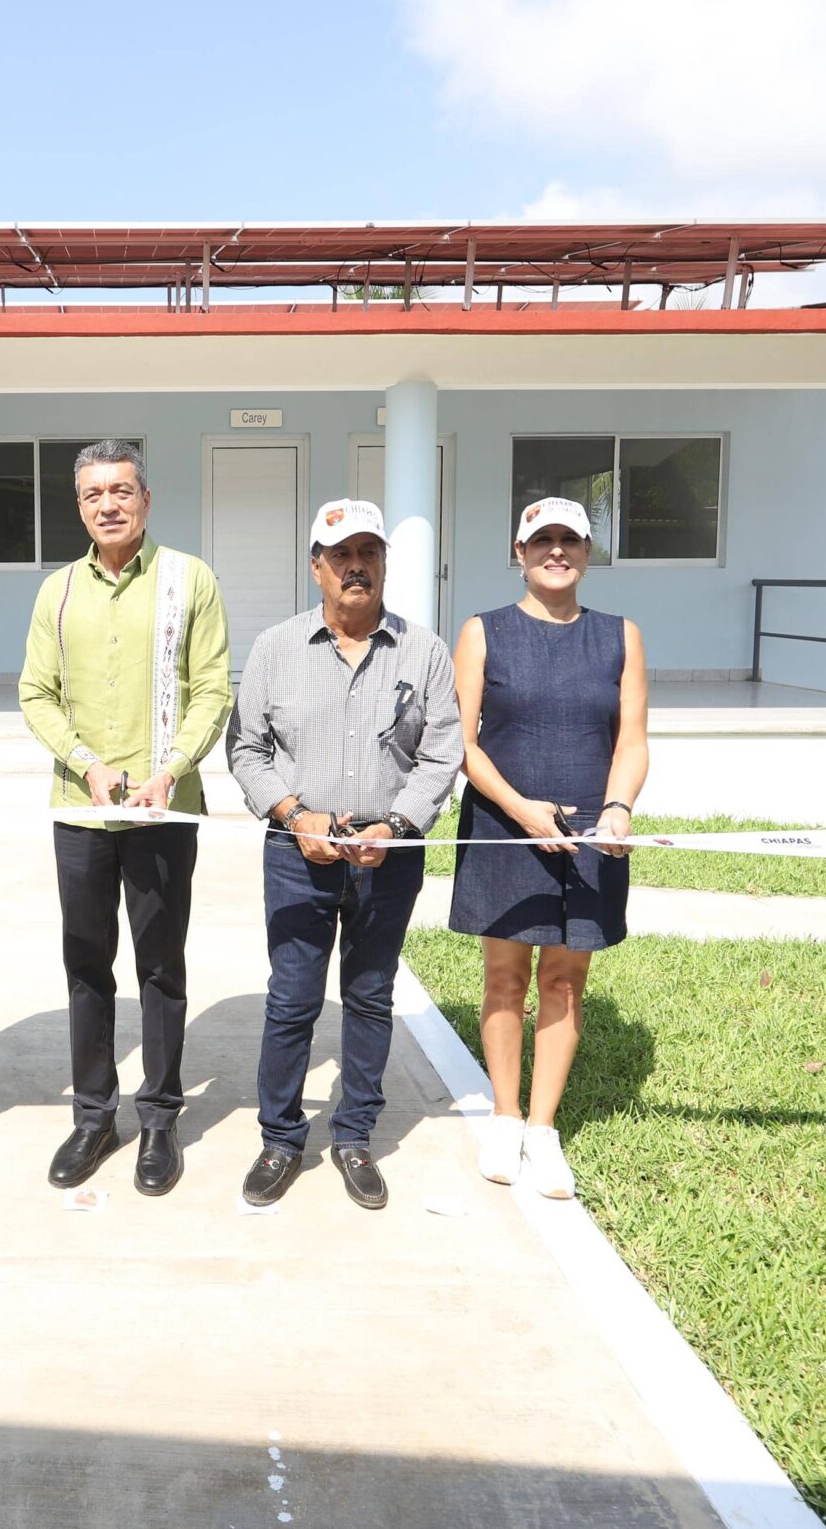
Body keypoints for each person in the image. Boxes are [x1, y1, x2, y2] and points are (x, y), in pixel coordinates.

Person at [227, 500, 463, 1210]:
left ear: (385, 563)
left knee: (369, 995)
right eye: (341, 554)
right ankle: (280, 1139)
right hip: (297, 851)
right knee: (292, 998)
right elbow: (246, 748)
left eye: (370, 552)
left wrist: (395, 825)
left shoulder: (424, 652)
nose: (356, 565)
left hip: (388, 856)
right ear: (316, 568)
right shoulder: (274, 649)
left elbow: (441, 752)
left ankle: (355, 1134)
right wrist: (296, 816)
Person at [17, 439, 232, 1196]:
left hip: (164, 813)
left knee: (160, 966)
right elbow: (35, 693)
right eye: (92, 494)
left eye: (121, 490)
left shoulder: (188, 580)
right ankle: (93, 1116)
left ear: (147, 498)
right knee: (86, 966)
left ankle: (161, 1118)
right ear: (79, 506)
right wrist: (88, 764)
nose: (107, 505)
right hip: (81, 810)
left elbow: (213, 688)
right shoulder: (59, 592)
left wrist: (169, 770)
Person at [450, 496, 648, 1200]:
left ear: (588, 552)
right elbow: (462, 742)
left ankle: (543, 1129)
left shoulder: (620, 636)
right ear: (519, 550)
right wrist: (521, 811)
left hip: (591, 833)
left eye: (570, 540)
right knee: (505, 979)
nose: (556, 551)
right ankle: (504, 1116)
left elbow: (631, 741)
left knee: (564, 982)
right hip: (507, 826)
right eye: (543, 540)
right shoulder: (483, 632)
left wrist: (620, 809)